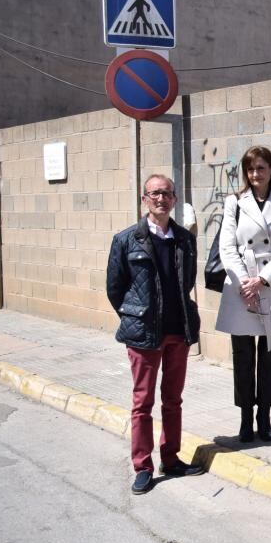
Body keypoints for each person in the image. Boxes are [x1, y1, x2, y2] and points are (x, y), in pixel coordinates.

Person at [106, 174, 203, 495]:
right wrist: (135, 314)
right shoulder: (125, 240)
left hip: (178, 330)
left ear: (174, 199)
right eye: (154, 194)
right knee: (142, 402)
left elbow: (186, 282)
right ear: (144, 199)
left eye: (167, 193)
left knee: (172, 400)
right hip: (144, 333)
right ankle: (143, 465)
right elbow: (115, 289)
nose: (161, 198)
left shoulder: (184, 240)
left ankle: (171, 457)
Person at [215, 146, 271, 443]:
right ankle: (245, 419)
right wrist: (244, 283)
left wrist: (262, 280)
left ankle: (265, 417)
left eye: (261, 168)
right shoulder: (234, 202)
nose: (255, 174)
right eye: (250, 169)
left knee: (270, 356)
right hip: (240, 285)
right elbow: (227, 246)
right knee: (243, 357)